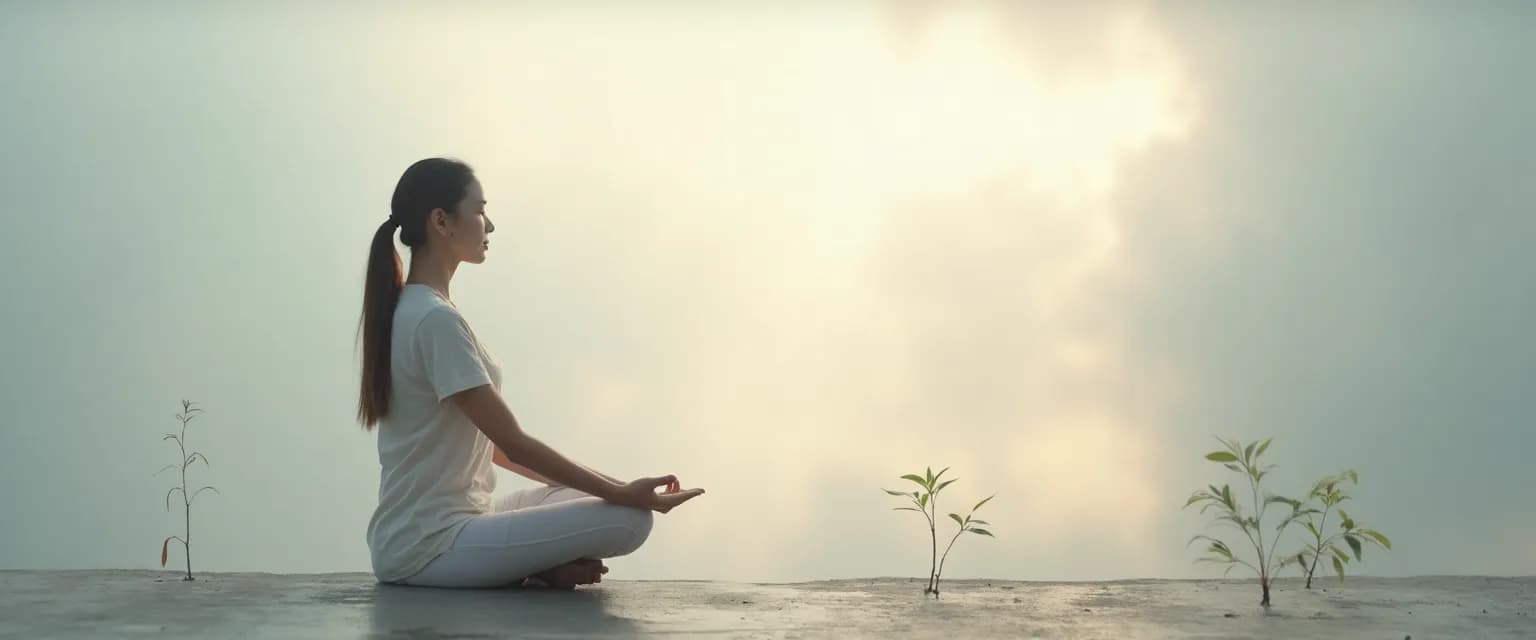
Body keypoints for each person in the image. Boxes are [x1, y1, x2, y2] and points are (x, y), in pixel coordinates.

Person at [357, 157, 704, 589]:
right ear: (441, 221)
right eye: (480, 210)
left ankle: (534, 565)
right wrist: (621, 494)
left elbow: (492, 449)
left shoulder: (419, 311)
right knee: (629, 519)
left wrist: (619, 486)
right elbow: (514, 445)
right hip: (430, 543)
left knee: (596, 496)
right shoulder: (434, 320)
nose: (489, 225)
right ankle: (534, 567)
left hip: (453, 524)